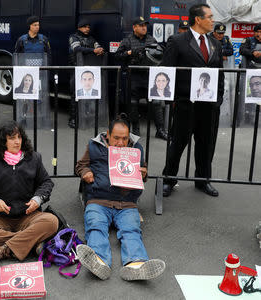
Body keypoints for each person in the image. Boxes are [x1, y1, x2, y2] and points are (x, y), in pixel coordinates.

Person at [75, 115, 165, 281]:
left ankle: (136, 265)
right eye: (116, 138)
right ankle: (99, 261)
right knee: (95, 225)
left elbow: (142, 171)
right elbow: (81, 165)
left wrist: (144, 173)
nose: (121, 143)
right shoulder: (94, 145)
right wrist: (85, 173)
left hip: (126, 203)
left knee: (131, 230)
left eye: (125, 138)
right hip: (99, 199)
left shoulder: (136, 148)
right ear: (108, 134)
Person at [0, 121, 58, 270]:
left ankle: (0, 249)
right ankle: (31, 242)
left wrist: (38, 199)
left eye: (19, 137)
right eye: (12, 138)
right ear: (2, 141)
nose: (17, 142)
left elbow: (46, 182)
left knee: (52, 222)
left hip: (29, 215)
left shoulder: (34, 158)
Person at [162, 4, 224, 197]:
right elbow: (166, 70)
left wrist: (219, 99)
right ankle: (169, 180)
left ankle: (202, 180)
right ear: (198, 19)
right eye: (210, 17)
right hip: (184, 104)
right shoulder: (177, 41)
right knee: (178, 143)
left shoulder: (216, 43)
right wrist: (171, 100)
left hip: (209, 106)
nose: (213, 20)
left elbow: (219, 74)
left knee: (206, 145)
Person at [115, 16, 168, 140]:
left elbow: (160, 55)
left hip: (150, 76)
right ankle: (135, 129)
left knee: (156, 102)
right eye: (141, 25)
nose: (144, 27)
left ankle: (160, 130)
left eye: (145, 25)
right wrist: (129, 53)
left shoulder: (151, 39)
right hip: (134, 76)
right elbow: (117, 56)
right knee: (133, 103)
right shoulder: (127, 41)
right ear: (134, 27)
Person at [67, 19, 104, 128]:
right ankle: (73, 119)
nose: (87, 29)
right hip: (76, 68)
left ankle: (86, 117)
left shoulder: (91, 39)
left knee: (88, 94)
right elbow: (76, 48)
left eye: (88, 27)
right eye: (85, 27)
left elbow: (98, 46)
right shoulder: (73, 37)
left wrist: (100, 50)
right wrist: (93, 51)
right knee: (75, 94)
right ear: (79, 28)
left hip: (88, 70)